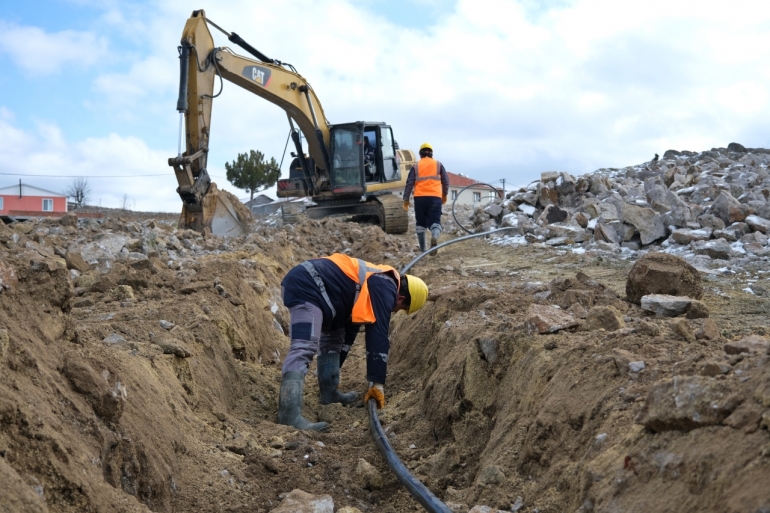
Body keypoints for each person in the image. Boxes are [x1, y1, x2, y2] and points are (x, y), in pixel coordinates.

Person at [278, 253, 429, 431]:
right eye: (400, 309)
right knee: (304, 346)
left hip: (325, 293)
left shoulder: (378, 282)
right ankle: (288, 416)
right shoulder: (385, 285)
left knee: (334, 338)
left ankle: (329, 394)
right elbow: (378, 332)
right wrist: (377, 383)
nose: (395, 312)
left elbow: (351, 328)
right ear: (401, 299)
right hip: (307, 287)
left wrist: (335, 369)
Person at [402, 142, 449, 255]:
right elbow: (446, 181)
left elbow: (409, 183)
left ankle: (423, 250)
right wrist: (444, 195)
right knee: (435, 222)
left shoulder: (416, 166)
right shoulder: (438, 165)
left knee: (421, 223)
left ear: (420, 154)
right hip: (435, 198)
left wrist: (406, 199)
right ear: (431, 153)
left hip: (420, 198)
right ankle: (434, 236)